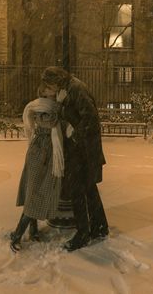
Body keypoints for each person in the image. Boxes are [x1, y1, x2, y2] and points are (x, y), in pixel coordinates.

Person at [41, 66, 109, 252]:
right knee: (89, 189)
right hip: (82, 149)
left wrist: (74, 133)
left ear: (56, 81)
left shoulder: (76, 89)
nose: (50, 90)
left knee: (77, 191)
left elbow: (90, 119)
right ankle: (100, 227)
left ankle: (83, 233)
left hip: (84, 150)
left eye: (50, 86)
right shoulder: (69, 88)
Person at [10, 83, 66, 253]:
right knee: (34, 192)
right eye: (51, 88)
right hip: (39, 153)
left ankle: (33, 230)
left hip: (48, 155)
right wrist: (60, 104)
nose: (54, 90)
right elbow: (51, 122)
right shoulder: (39, 106)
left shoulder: (51, 106)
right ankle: (17, 234)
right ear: (43, 92)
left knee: (37, 191)